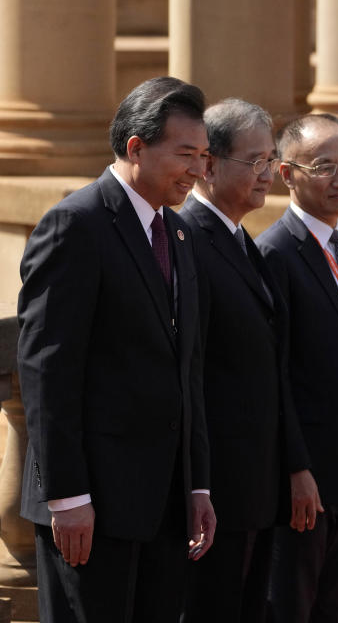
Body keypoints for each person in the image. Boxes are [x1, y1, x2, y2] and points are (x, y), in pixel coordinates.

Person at [17, 76, 217, 622]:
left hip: (165, 507)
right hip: (94, 506)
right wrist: (67, 498)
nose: (199, 171)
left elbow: (188, 368)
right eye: (185, 155)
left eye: (203, 155)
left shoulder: (177, 234)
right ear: (136, 147)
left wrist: (197, 484)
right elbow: (47, 372)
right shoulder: (75, 224)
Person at [179, 98, 321, 622]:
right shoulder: (188, 240)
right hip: (216, 486)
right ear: (209, 165)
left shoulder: (243, 241)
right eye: (255, 162)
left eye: (270, 161)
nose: (268, 175)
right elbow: (192, 373)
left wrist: (293, 464)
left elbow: (270, 369)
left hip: (257, 483)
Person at [256, 113, 338, 623]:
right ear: (287, 174)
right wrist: (296, 468)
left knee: (333, 605)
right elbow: (275, 374)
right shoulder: (274, 253)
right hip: (304, 478)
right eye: (323, 166)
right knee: (291, 605)